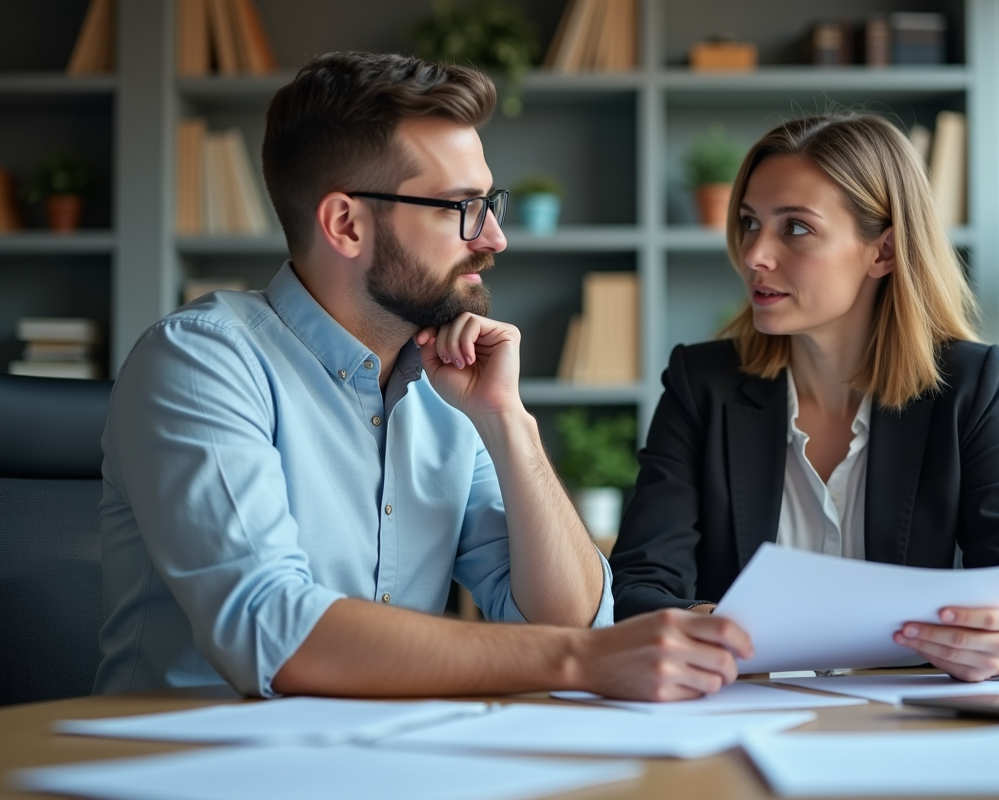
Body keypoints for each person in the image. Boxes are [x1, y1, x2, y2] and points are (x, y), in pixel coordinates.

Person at [94, 52, 751, 702]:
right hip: (196, 770)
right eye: (459, 207)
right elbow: (275, 633)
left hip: (391, 760)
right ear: (346, 224)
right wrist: (582, 660)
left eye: (489, 202)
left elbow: (571, 621)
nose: (494, 237)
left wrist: (506, 421)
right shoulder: (201, 361)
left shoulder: (447, 390)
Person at [609, 113, 999, 682]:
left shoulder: (967, 386)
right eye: (750, 223)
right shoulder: (700, 382)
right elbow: (640, 586)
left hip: (903, 729)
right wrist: (701, 627)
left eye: (795, 228)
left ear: (883, 253)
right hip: (738, 716)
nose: (755, 254)